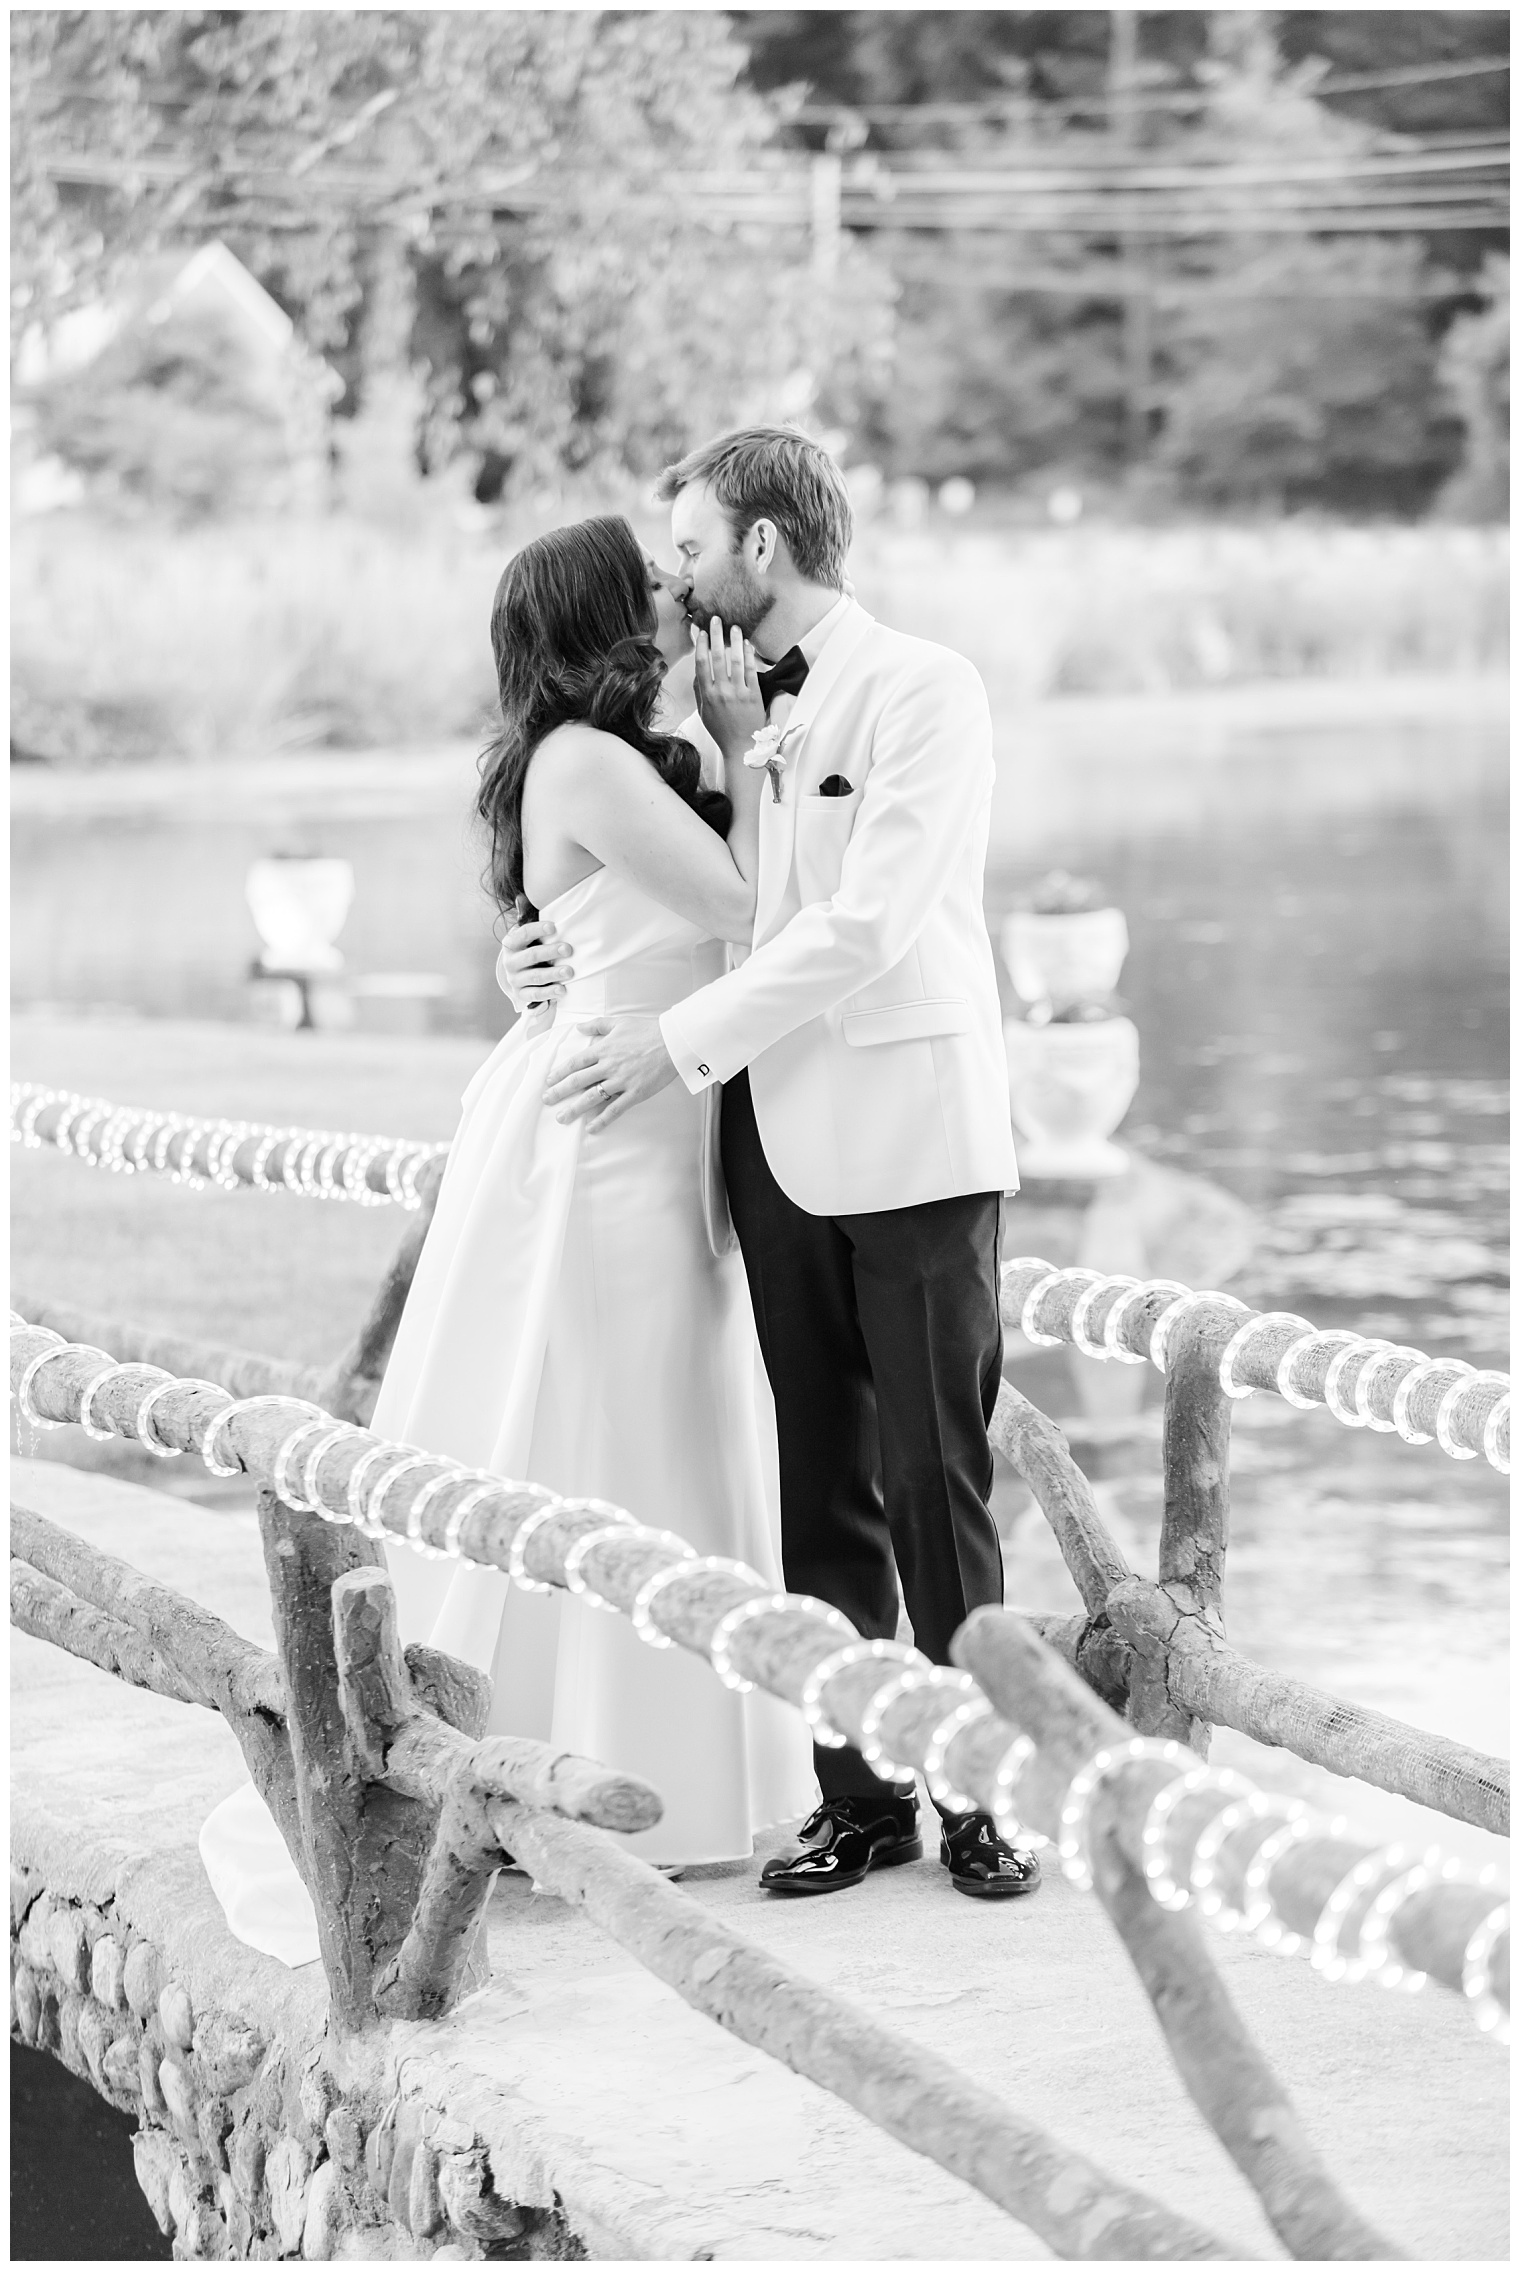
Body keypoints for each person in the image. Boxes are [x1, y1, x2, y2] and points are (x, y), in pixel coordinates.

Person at [199, 514, 817, 1960]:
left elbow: (624, 919)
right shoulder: (592, 761)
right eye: (654, 583)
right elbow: (748, 906)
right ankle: (609, 1771)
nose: (678, 594)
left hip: (634, 1112)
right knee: (615, 1430)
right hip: (611, 1135)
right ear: (607, 617)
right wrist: (739, 743)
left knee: (635, 1425)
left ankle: (648, 1766)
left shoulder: (588, 758)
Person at [499, 427, 1040, 1902]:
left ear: (761, 551)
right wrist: (539, 960)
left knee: (939, 1486)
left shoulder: (925, 689)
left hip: (915, 1138)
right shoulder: (712, 714)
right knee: (824, 1492)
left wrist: (672, 1040)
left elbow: (861, 925)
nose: (672, 574)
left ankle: (982, 1797)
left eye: (688, 547)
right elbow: (669, 892)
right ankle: (857, 1798)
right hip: (765, 1147)